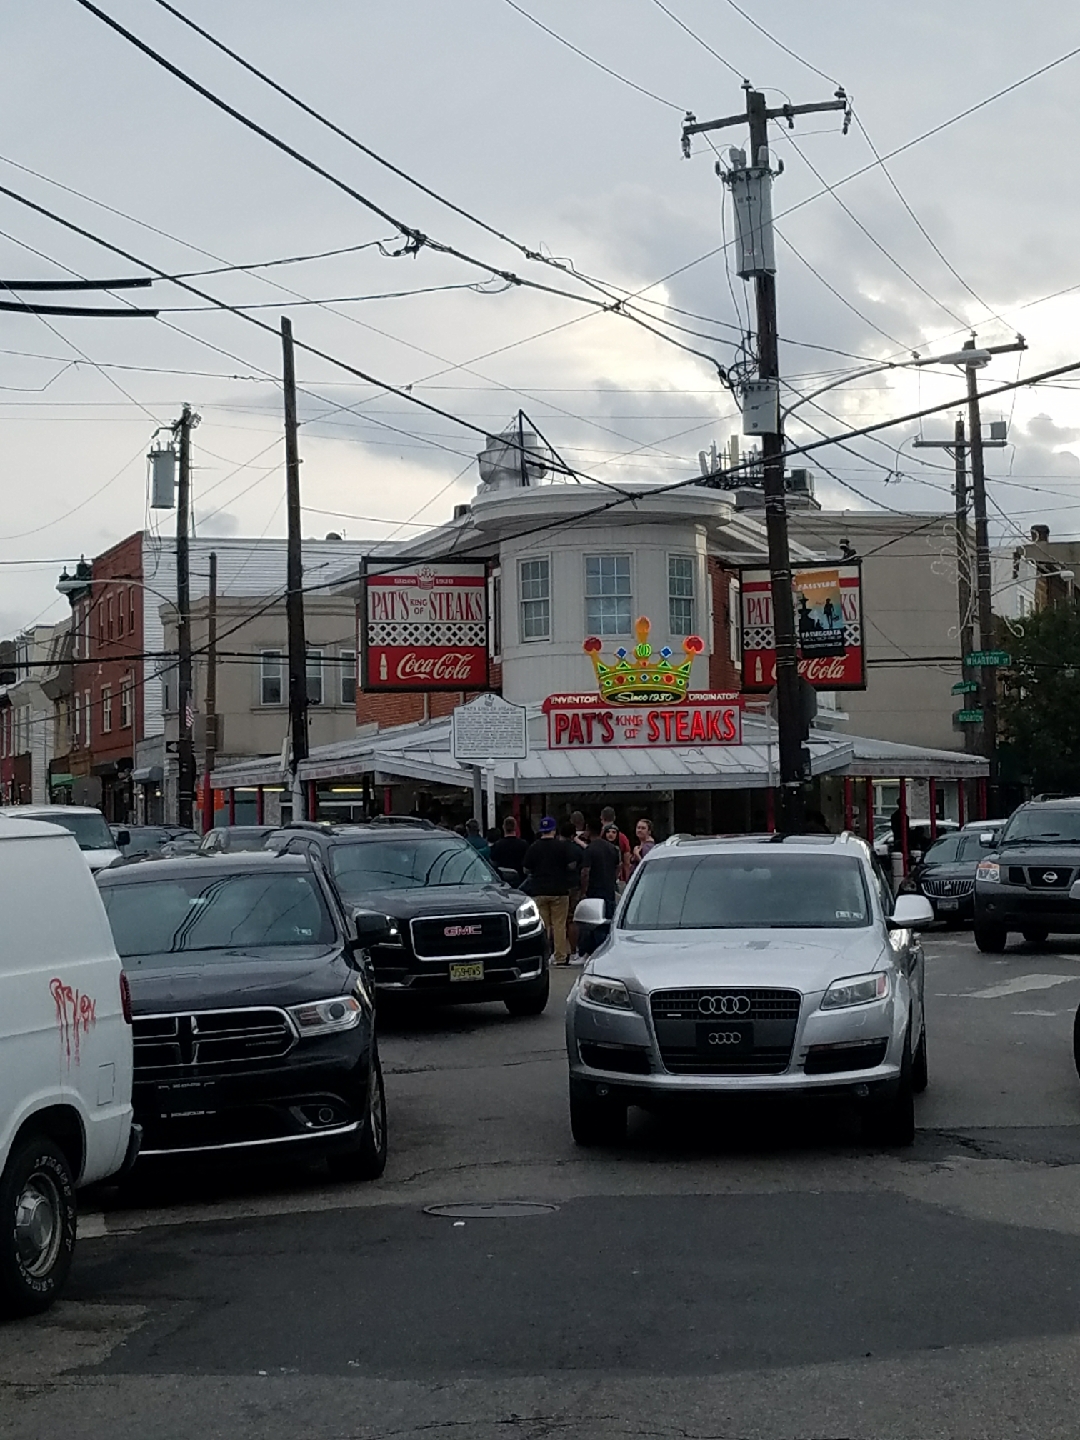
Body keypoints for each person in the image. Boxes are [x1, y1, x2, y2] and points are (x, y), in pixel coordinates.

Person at [522, 817, 576, 965]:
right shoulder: (562, 846)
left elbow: (526, 869)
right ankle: (560, 957)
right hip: (559, 890)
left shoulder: (534, 847)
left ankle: (544, 956)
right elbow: (572, 865)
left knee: (543, 926)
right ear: (554, 830)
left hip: (539, 890)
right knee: (559, 924)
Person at [489, 815, 528, 886]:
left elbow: (493, 863)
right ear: (515, 827)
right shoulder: (524, 844)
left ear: (503, 827)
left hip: (503, 881)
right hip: (520, 881)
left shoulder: (498, 845)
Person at [600, 805, 631, 880]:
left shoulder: (597, 836)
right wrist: (628, 879)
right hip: (618, 878)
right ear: (614, 818)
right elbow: (627, 862)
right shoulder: (622, 837)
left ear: (601, 818)